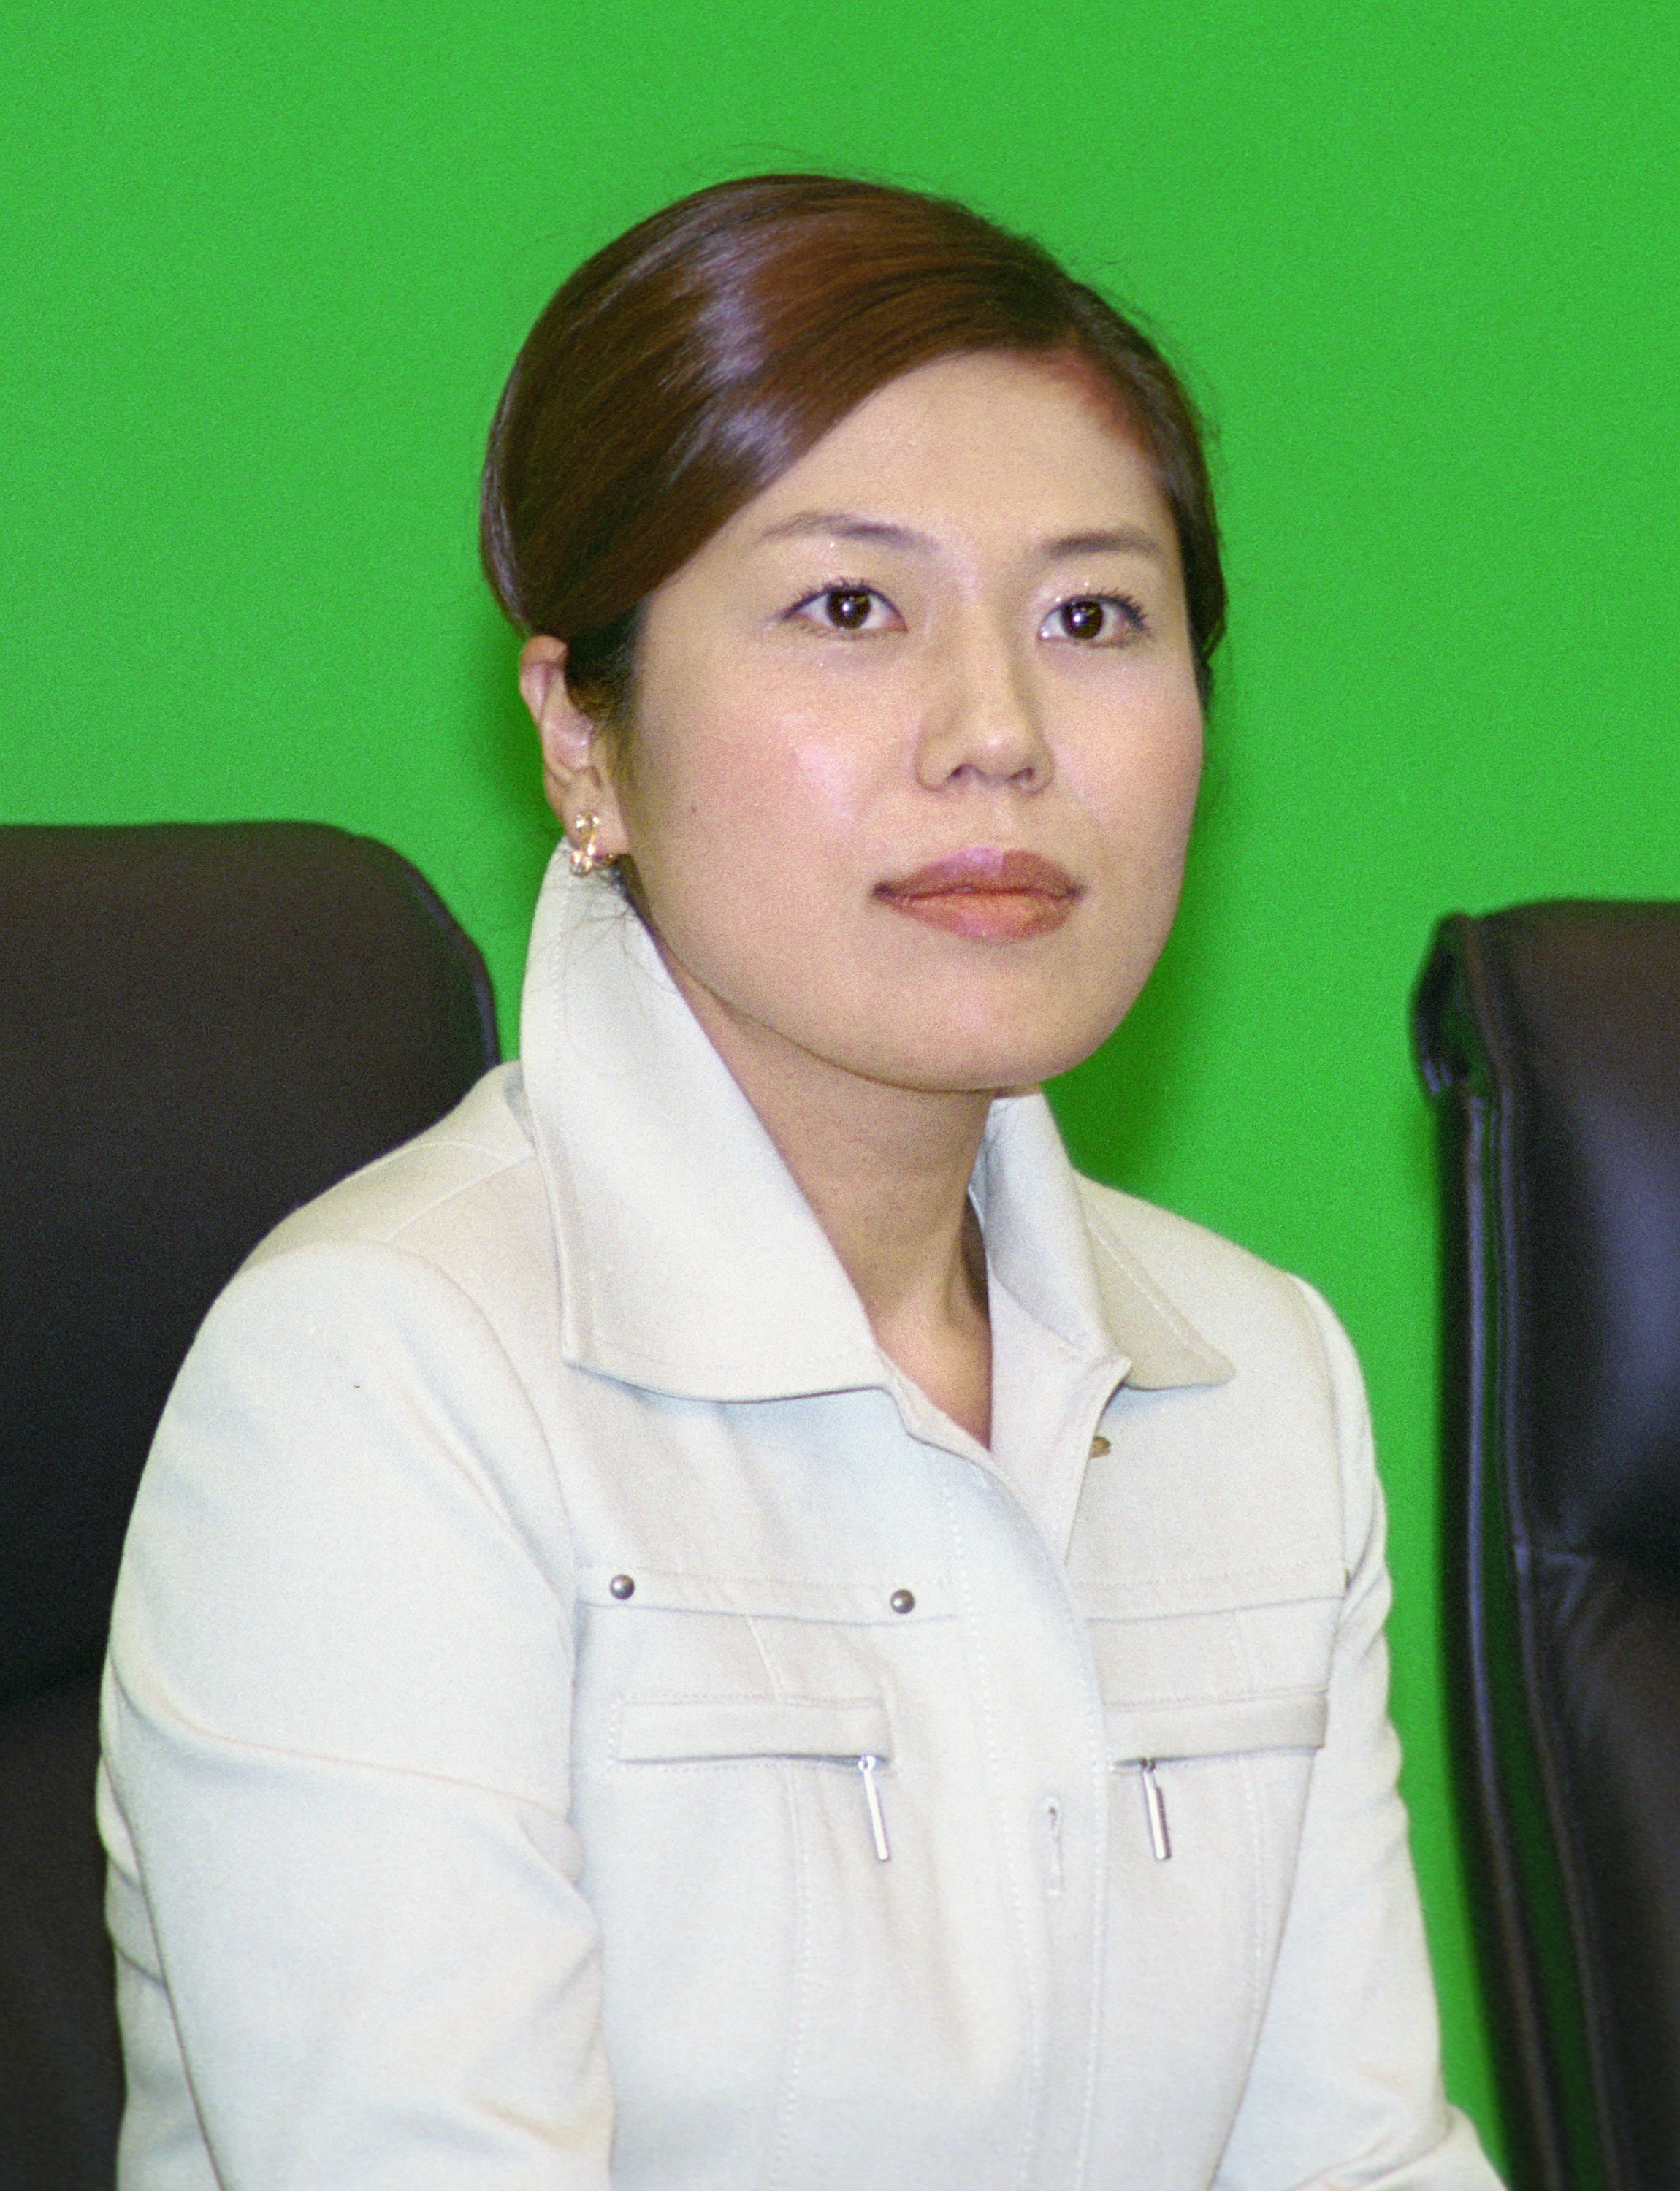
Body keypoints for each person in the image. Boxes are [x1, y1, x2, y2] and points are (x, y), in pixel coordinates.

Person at [99, 175, 1503, 2189]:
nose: (998, 734)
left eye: (1091, 617)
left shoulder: (1257, 1377)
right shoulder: (379, 1380)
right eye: (849, 610)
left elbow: (1352, 2161)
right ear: (582, 735)